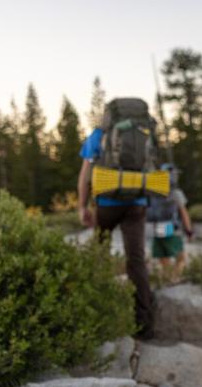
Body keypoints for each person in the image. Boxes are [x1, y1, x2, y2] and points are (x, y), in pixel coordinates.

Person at [78, 127, 155, 340]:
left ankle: (100, 317)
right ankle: (144, 325)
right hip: (137, 203)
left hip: (106, 203)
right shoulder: (143, 132)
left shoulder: (98, 135)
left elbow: (85, 175)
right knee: (136, 260)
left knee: (100, 254)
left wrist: (82, 206)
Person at [147, 163, 194, 282]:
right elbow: (184, 213)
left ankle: (166, 280)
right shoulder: (176, 193)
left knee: (164, 258)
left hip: (155, 226)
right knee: (180, 258)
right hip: (169, 226)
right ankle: (174, 280)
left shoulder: (153, 192)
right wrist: (189, 231)